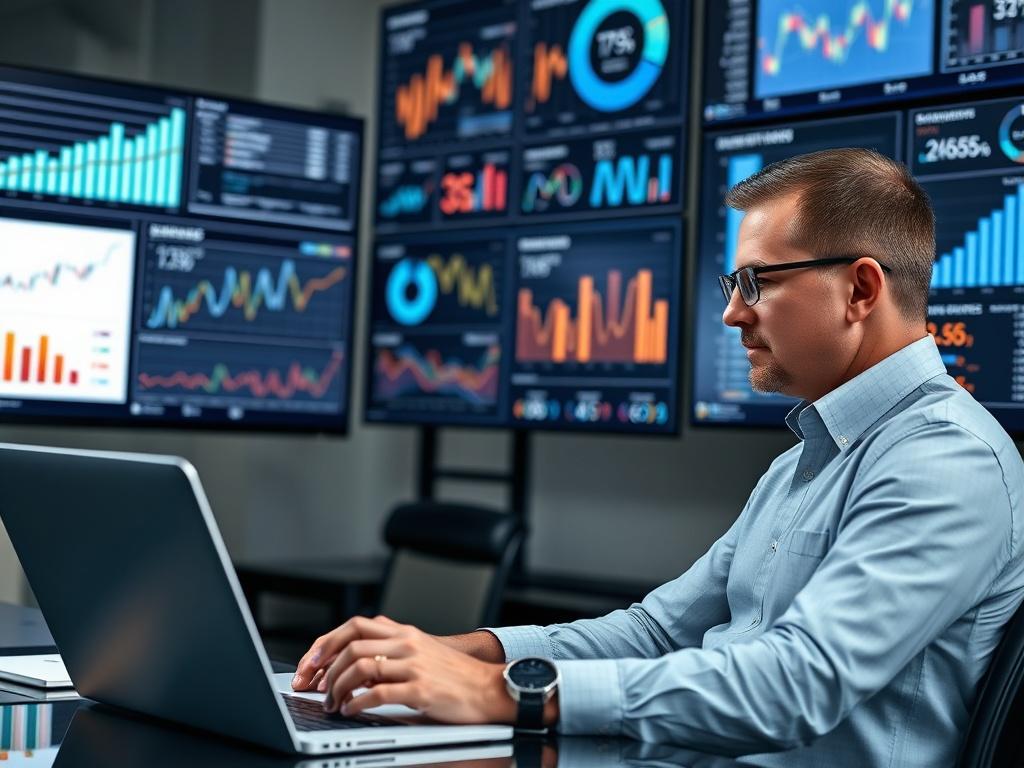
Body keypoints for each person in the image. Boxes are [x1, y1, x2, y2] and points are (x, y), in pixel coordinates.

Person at [291, 149, 1024, 766]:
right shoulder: (808, 458)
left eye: (756, 282)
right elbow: (655, 632)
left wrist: (503, 693)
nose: (733, 312)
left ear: (860, 288)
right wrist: (456, 651)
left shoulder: (945, 461)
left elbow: (798, 682)